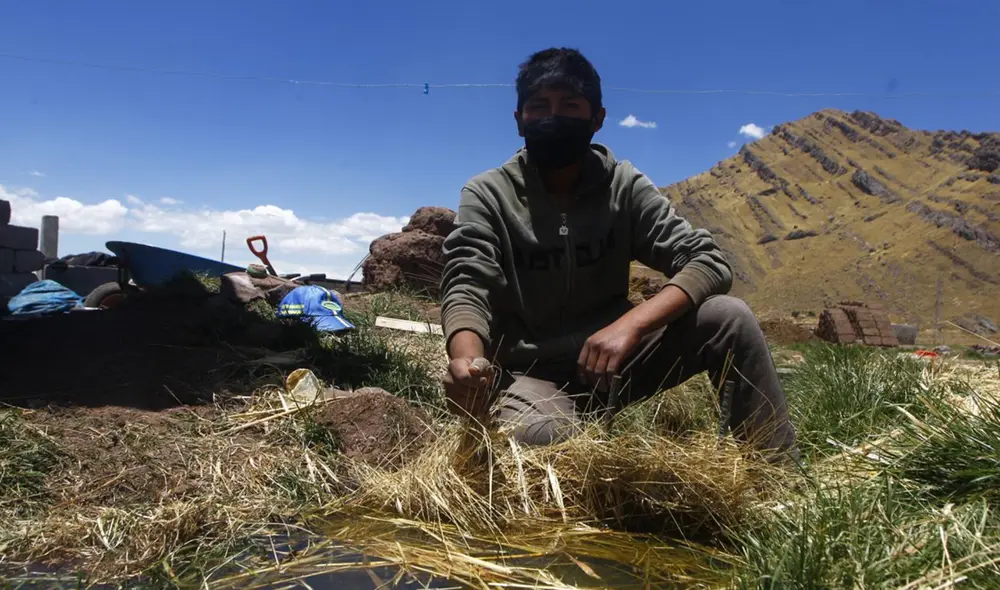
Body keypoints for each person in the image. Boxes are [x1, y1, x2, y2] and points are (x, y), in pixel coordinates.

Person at [439, 47, 799, 463]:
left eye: (570, 106)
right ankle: (567, 422)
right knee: (538, 441)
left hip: (617, 362)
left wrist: (630, 325)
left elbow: (708, 261)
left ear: (597, 119)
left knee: (730, 318)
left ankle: (777, 479)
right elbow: (467, 285)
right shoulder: (488, 194)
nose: (553, 117)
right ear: (519, 120)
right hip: (531, 373)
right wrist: (468, 365)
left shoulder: (624, 186)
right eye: (539, 107)